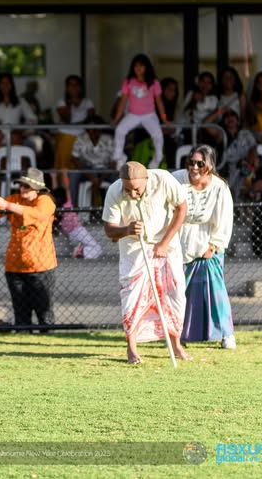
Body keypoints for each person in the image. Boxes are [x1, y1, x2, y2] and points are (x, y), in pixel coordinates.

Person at [101, 161, 190, 364]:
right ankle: (132, 348)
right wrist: (127, 230)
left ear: (147, 179)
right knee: (132, 293)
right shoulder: (114, 190)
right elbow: (109, 229)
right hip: (134, 246)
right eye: (128, 189)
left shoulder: (164, 179)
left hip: (166, 242)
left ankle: (176, 343)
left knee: (175, 290)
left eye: (137, 189)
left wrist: (164, 242)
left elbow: (182, 208)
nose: (132, 194)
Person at [172, 145, 236, 349]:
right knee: (182, 292)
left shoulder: (219, 187)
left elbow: (225, 219)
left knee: (214, 292)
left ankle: (226, 334)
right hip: (180, 244)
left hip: (208, 244)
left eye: (200, 163)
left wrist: (213, 245)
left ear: (209, 165)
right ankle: (181, 334)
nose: (194, 167)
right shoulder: (176, 179)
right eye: (191, 162)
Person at [0, 167, 57, 329]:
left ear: (37, 188)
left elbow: (37, 214)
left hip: (41, 266)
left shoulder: (45, 201)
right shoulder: (15, 199)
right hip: (14, 266)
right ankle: (23, 334)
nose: (22, 189)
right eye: (21, 185)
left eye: (26, 186)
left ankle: (47, 339)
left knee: (44, 312)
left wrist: (6, 205)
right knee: (20, 313)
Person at [112, 54, 166, 170]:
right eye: (136, 66)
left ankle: (157, 158)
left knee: (158, 135)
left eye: (141, 65)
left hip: (149, 115)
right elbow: (123, 102)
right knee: (120, 130)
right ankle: (119, 157)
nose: (138, 68)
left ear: (147, 67)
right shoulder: (128, 82)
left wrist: (164, 118)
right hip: (133, 115)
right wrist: (116, 119)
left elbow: (159, 102)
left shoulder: (153, 82)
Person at [70, 115, 115, 211]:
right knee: (73, 174)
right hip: (87, 168)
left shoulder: (108, 139)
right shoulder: (81, 139)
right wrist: (90, 175)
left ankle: (117, 211)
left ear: (99, 129)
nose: (91, 132)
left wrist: (101, 179)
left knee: (119, 179)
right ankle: (74, 210)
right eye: (88, 129)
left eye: (94, 129)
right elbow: (74, 159)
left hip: (105, 169)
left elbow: (114, 162)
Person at [54, 74, 95, 173]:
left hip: (83, 136)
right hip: (66, 136)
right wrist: (70, 103)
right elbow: (67, 120)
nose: (74, 88)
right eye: (70, 85)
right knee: (64, 166)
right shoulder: (61, 102)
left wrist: (79, 123)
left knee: (80, 164)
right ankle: (62, 186)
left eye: (76, 85)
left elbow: (90, 120)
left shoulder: (88, 102)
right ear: (66, 88)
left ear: (81, 87)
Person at [53, 186, 103, 260]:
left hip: (71, 235)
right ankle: (81, 252)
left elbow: (55, 191)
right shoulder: (67, 205)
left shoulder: (57, 210)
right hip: (78, 230)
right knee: (98, 249)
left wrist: (54, 177)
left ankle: (81, 250)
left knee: (93, 246)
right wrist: (64, 175)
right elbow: (67, 188)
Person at [160, 76, 181, 169]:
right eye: (169, 89)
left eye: (174, 90)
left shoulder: (175, 106)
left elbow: (176, 127)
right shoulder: (156, 106)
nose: (172, 92)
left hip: (170, 142)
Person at [247, 70, 262, 143]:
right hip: (256, 134)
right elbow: (251, 121)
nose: (260, 84)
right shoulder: (252, 101)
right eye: (258, 82)